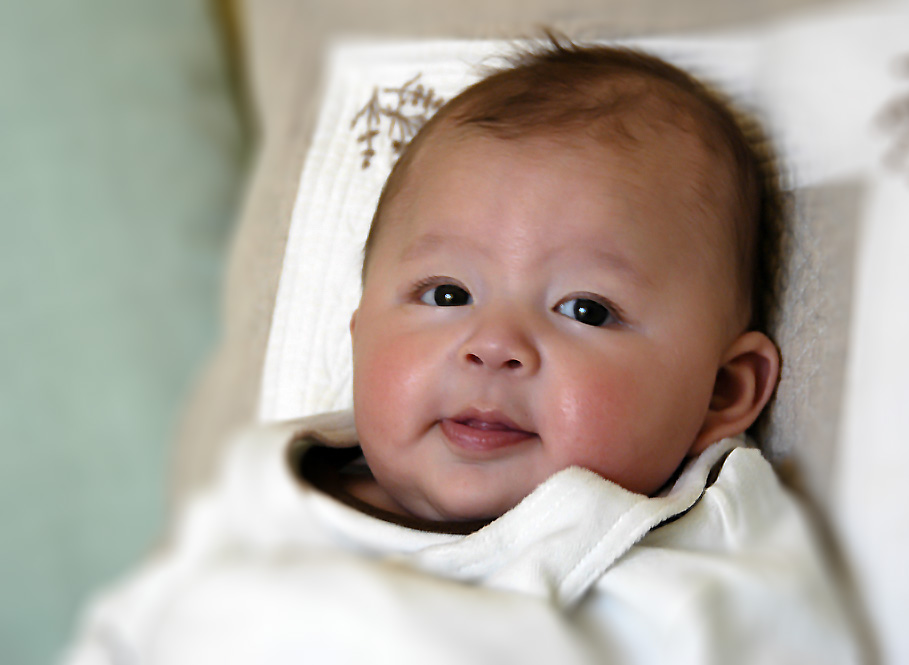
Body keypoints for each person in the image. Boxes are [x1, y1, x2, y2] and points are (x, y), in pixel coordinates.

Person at [63, 39, 862, 664]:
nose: (493, 345)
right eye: (447, 294)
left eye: (585, 309)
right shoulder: (263, 485)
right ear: (358, 330)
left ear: (723, 391)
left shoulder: (696, 558)